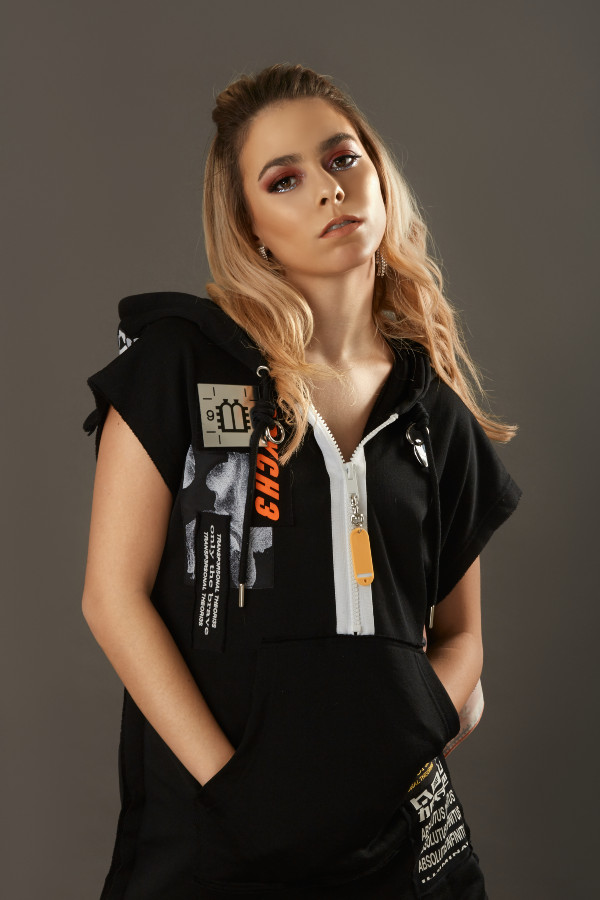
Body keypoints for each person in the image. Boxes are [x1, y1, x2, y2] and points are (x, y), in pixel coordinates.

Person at [81, 63, 522, 899]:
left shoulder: (432, 408)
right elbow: (111, 597)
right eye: (284, 180)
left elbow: (461, 635)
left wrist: (414, 733)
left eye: (343, 158)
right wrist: (231, 789)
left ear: (379, 176)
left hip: (400, 841)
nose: (328, 189)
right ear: (251, 228)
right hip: (218, 836)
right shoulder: (181, 365)